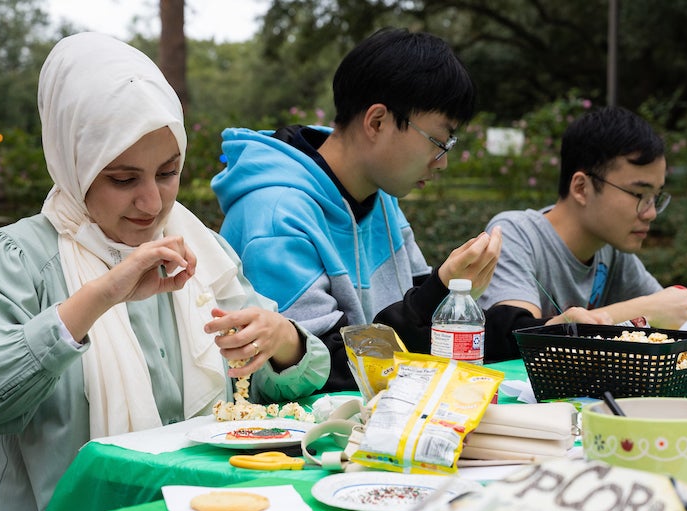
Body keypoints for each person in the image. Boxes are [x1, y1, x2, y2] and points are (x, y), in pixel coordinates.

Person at [0, 32, 329, 511]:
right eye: (123, 179)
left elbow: (282, 384)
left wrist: (280, 339)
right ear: (74, 162)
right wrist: (102, 294)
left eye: (168, 172)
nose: (152, 203)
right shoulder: (18, 258)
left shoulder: (198, 250)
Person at [212, 27, 502, 391]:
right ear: (377, 122)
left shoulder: (380, 198)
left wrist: (525, 324)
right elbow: (320, 369)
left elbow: (416, 312)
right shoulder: (276, 213)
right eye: (438, 142)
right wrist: (440, 289)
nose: (441, 163)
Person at [479, 105, 687, 356]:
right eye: (639, 194)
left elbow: (667, 314)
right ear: (581, 188)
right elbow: (509, 336)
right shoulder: (515, 234)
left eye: (655, 197)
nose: (651, 213)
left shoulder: (611, 250)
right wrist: (644, 311)